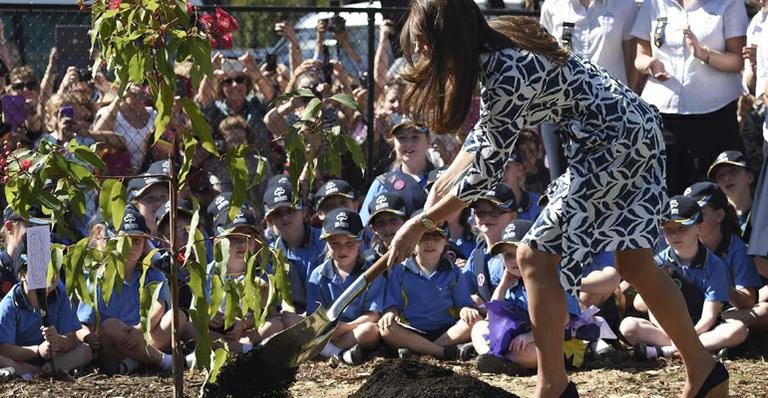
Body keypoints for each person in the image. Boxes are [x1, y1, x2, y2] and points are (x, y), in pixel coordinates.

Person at [387, 2, 726, 396]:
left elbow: (484, 172)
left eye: (427, 45)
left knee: (533, 255)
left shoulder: (504, 68)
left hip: (613, 146)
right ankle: (704, 370)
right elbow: (487, 134)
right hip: (628, 133)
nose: (426, 56)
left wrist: (422, 223)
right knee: (634, 262)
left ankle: (553, 387)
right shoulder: (495, 47)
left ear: (447, 38)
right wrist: (445, 179)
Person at [631, 0, 748, 194]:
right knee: (667, 190)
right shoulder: (654, 4)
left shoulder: (728, 3)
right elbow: (639, 57)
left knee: (713, 194)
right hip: (664, 114)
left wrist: (705, 54)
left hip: (714, 114)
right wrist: (649, 64)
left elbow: (737, 61)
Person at [620, 196, 748, 360]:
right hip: (668, 331)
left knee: (738, 329)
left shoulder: (715, 266)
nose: (675, 235)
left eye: (683, 227)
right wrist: (676, 337)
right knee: (629, 326)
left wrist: (687, 338)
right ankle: (694, 350)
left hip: (703, 330)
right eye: (668, 229)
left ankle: (665, 352)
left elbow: (709, 317)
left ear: (700, 228)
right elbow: (654, 310)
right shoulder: (657, 263)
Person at [76, 205, 193, 375]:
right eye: (124, 241)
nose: (131, 247)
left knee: (177, 316)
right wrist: (87, 337)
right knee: (110, 326)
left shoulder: (152, 274)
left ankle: (133, 363)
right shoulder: (97, 279)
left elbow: (158, 306)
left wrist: (139, 329)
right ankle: (165, 361)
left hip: (145, 336)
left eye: (137, 240)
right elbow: (82, 323)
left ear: (145, 243)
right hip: (115, 349)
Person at [471, 220, 586, 375]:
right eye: (508, 255)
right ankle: (496, 359)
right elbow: (494, 318)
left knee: (531, 352)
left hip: (556, 338)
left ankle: (505, 362)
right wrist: (503, 285)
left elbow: (563, 320)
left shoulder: (554, 278)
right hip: (517, 338)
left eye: (518, 254)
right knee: (478, 328)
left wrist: (530, 336)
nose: (513, 261)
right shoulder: (511, 281)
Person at [378, 218, 479, 361]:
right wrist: (390, 312)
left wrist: (465, 310)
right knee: (386, 329)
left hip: (447, 330)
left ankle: (421, 352)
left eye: (437, 237)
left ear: (446, 241)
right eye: (423, 237)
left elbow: (463, 303)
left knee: (475, 321)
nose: (429, 242)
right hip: (412, 331)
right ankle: (443, 353)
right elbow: (393, 305)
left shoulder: (453, 271)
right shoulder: (400, 270)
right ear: (413, 241)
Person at [0, 240, 93, 379]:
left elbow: (71, 340)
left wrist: (57, 340)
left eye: (53, 267)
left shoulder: (60, 295)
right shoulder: (10, 304)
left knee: (85, 351)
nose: (50, 273)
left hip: (54, 357)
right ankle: (39, 372)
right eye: (41, 268)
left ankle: (38, 372)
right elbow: (5, 348)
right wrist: (37, 350)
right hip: (21, 356)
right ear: (22, 274)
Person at [307, 208, 385, 365]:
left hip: (355, 330)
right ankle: (340, 354)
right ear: (326, 243)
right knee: (292, 321)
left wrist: (347, 327)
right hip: (327, 331)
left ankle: (325, 351)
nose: (342, 249)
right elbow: (314, 314)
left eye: (349, 243)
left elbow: (373, 315)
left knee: (370, 330)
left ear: (360, 242)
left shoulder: (372, 273)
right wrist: (329, 330)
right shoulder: (317, 274)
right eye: (334, 243)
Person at [206, 203, 284, 352]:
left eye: (248, 237)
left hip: (245, 331)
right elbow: (195, 311)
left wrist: (244, 323)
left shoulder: (261, 272)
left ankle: (241, 346)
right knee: (190, 328)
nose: (242, 244)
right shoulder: (209, 272)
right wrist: (208, 315)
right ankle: (241, 348)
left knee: (276, 324)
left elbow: (269, 313)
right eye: (234, 238)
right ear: (217, 242)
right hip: (215, 331)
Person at [683, 182, 762, 309]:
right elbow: (639, 303)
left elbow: (748, 301)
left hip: (726, 316)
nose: (692, 221)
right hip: (688, 315)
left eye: (699, 214)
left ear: (719, 215)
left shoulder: (736, 248)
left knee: (762, 311)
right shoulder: (680, 246)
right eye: (687, 215)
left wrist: (717, 281)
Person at [359, 121, 432, 225]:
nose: (408, 143)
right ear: (394, 143)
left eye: (415, 137)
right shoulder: (382, 184)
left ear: (428, 141)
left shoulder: (442, 178)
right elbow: (363, 227)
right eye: (402, 138)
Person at [706, 151, 755, 240]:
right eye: (720, 175)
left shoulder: (762, 213)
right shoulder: (716, 219)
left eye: (733, 171)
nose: (726, 178)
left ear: (750, 177)